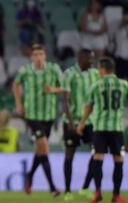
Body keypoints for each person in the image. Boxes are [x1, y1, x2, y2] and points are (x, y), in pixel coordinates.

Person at [13, 44, 61, 197]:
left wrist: (53, 90)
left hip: (49, 115)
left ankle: (29, 176)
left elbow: (65, 86)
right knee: (45, 149)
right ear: (31, 57)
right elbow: (16, 84)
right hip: (32, 115)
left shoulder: (54, 69)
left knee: (40, 151)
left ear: (45, 56)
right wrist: (19, 103)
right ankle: (52, 187)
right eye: (36, 54)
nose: (39, 57)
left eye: (41, 54)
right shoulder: (25, 71)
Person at [77, 57, 127, 203]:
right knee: (119, 160)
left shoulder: (96, 85)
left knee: (98, 158)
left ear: (103, 69)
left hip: (99, 128)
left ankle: (98, 192)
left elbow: (89, 106)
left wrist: (82, 123)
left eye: (99, 69)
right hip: (117, 128)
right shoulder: (124, 84)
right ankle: (116, 195)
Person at [61, 49, 100, 201]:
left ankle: (85, 187)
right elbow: (65, 100)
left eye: (93, 59)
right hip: (72, 121)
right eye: (89, 59)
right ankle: (68, 190)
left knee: (97, 152)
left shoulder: (95, 74)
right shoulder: (69, 73)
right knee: (69, 155)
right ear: (80, 57)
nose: (91, 62)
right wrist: (71, 123)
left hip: (90, 121)